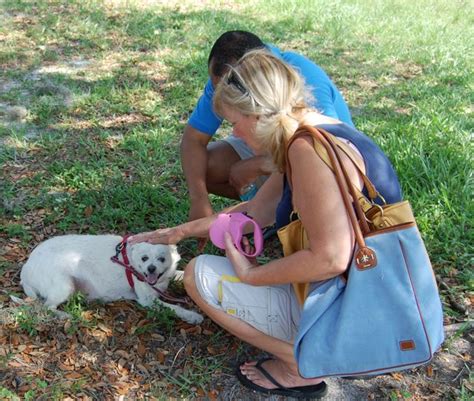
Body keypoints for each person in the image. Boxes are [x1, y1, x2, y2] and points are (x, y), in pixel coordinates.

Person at [130, 50, 402, 397]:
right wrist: (177, 233)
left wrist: (252, 275)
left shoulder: (307, 154)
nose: (234, 133)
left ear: (256, 114)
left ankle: (300, 364)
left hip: (357, 313)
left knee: (199, 276)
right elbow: (256, 212)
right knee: (221, 267)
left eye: (234, 121)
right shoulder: (318, 132)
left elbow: (330, 258)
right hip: (373, 295)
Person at [182, 30, 354, 223]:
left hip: (322, 161)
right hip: (285, 155)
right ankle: (271, 212)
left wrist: (260, 164)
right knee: (204, 166)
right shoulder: (225, 77)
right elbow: (193, 139)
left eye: (235, 123)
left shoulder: (304, 78)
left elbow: (326, 150)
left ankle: (291, 213)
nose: (234, 133)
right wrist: (199, 199)